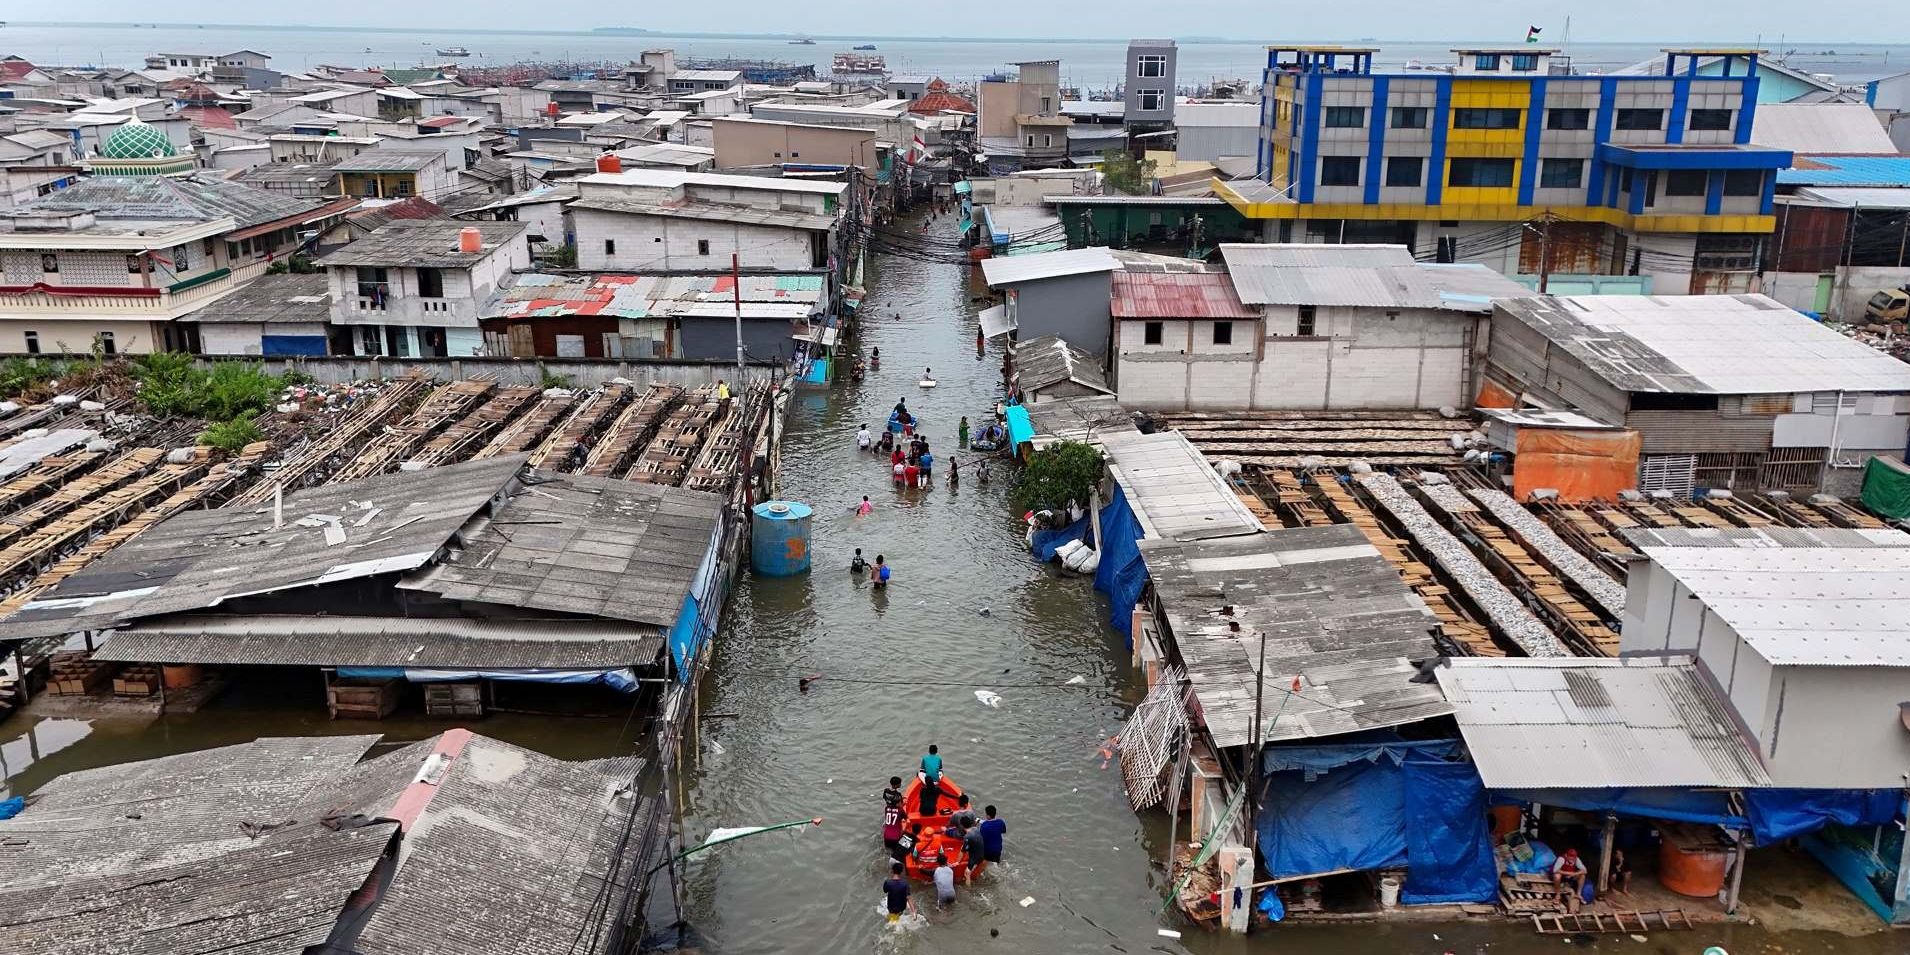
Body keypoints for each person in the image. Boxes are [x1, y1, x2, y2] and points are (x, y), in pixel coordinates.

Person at [1553, 847, 1589, 911]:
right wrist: (1568, 873)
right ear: (1567, 855)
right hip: (1562, 876)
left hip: (1570, 877)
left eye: (1573, 858)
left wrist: (1574, 874)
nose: (1572, 859)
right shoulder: (1561, 859)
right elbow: (1555, 870)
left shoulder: (1577, 859)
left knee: (1582, 875)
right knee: (1557, 876)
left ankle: (1579, 894)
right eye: (1570, 857)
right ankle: (1558, 894)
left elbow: (1585, 870)